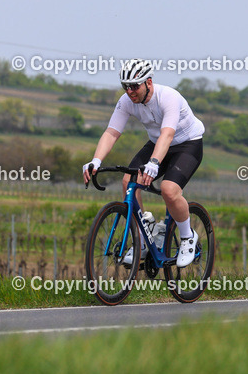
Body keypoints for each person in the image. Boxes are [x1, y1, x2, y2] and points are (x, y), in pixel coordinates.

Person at [82, 59, 205, 266]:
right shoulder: (126, 101)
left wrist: (154, 162)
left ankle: (187, 237)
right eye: (125, 86)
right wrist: (96, 160)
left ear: (148, 82)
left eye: (134, 86)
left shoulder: (169, 97)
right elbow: (112, 133)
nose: (130, 91)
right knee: (128, 182)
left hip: (186, 144)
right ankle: (142, 238)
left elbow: (168, 134)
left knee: (168, 189)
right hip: (158, 142)